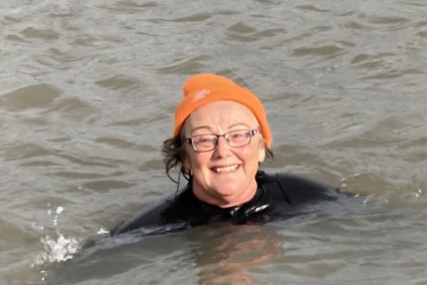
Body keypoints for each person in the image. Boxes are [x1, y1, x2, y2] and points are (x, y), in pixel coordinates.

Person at [111, 73, 343, 236]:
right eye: (203, 139)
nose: (222, 151)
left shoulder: (304, 196)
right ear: (184, 158)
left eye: (238, 135)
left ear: (261, 147)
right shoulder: (151, 228)